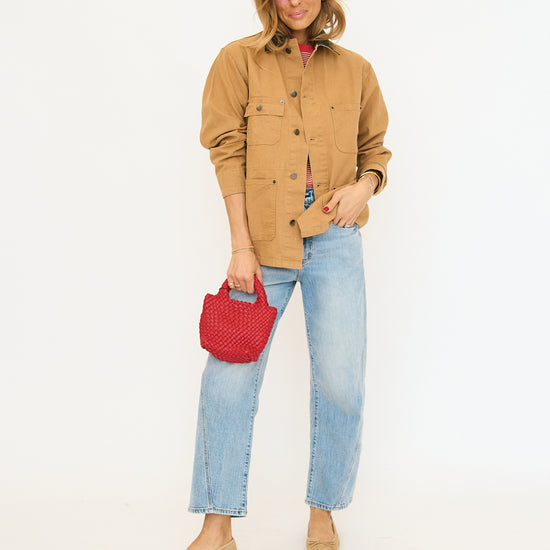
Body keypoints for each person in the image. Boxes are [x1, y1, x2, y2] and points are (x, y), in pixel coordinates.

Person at [187, 1, 392, 549]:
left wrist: (364, 186)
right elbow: (226, 152)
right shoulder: (236, 60)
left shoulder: (356, 69)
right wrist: (241, 246)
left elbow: (375, 150)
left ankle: (323, 514)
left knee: (342, 384)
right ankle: (216, 526)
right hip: (262, 243)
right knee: (227, 380)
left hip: (335, 238)